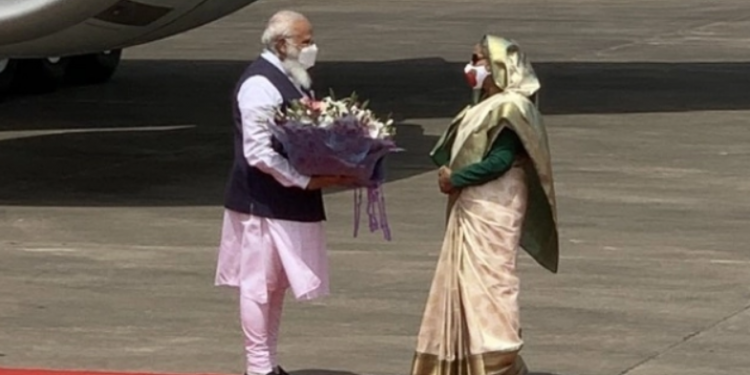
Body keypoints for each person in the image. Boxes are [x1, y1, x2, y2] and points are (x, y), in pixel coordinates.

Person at [410, 35, 560, 375]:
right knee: (469, 282)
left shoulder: (511, 108)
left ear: (498, 68)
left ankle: (498, 359)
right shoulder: (480, 106)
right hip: (475, 202)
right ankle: (467, 358)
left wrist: (456, 179)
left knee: (491, 281)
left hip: (495, 203)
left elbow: (501, 160)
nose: (471, 67)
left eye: (478, 60)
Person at [214, 10, 353, 375]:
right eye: (305, 42)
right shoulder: (259, 85)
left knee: (274, 288)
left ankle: (267, 364)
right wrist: (304, 179)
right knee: (258, 286)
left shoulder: (294, 78)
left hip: (286, 199)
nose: (312, 48)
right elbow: (257, 151)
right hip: (262, 201)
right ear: (281, 45)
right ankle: (257, 367)